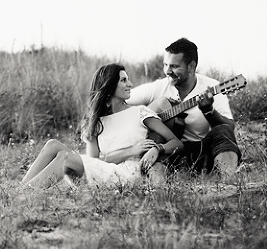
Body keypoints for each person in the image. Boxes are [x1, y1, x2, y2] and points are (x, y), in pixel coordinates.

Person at [21, 63, 183, 189]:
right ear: (110, 85)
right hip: (102, 170)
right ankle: (21, 189)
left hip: (127, 173)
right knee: (52, 144)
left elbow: (176, 142)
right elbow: (95, 160)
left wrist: (157, 149)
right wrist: (130, 151)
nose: (131, 84)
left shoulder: (140, 112)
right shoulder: (96, 122)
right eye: (124, 80)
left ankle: (25, 194)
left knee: (65, 156)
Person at [126, 37, 241, 178]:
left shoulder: (211, 87)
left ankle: (226, 184)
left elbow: (228, 128)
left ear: (191, 67)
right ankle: (158, 188)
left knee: (223, 130)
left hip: (202, 154)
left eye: (174, 66)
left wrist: (208, 111)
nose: (167, 71)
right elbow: (122, 100)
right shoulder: (159, 87)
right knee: (156, 135)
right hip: (170, 154)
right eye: (165, 65)